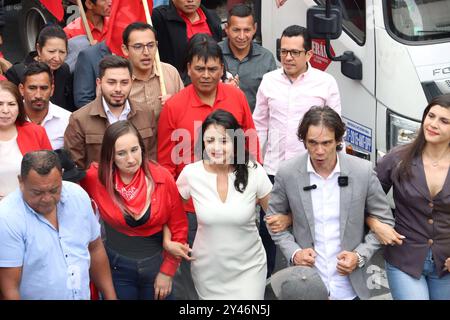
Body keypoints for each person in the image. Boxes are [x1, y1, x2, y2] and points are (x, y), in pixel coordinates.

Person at [157, 34, 260, 299]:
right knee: (195, 278)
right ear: (188, 68)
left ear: (222, 69)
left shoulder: (236, 98)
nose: (206, 75)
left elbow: (250, 141)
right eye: (199, 68)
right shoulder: (174, 106)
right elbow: (167, 163)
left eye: (213, 68)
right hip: (193, 210)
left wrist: (251, 185)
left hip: (237, 200)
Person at [267, 106, 395, 300]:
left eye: (326, 143)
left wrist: (359, 256)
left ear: (338, 141)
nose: (319, 151)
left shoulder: (362, 171)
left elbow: (384, 222)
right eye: (312, 143)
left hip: (350, 285)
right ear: (304, 141)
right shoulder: (287, 172)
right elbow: (274, 221)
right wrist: (294, 253)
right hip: (305, 283)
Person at [253, 25, 341, 277]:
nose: (288, 58)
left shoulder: (325, 82)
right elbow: (258, 124)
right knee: (269, 228)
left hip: (311, 171)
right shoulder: (269, 80)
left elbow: (336, 128)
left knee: (310, 228)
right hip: (273, 170)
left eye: (294, 52)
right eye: (283, 52)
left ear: (309, 54)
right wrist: (253, 165)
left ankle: (312, 281)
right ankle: (266, 282)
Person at [80, 120, 188, 300]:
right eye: (121, 153)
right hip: (116, 269)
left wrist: (168, 271)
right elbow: (66, 191)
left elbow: (178, 226)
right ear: (110, 156)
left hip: (157, 265)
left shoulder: (161, 177)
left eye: (134, 150)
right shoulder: (96, 178)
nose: (130, 159)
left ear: (142, 149)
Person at [176, 109, 270, 299]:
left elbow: (275, 214)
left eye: (224, 141)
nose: (216, 147)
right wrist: (172, 241)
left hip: (249, 269)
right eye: (210, 141)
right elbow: (170, 211)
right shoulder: (191, 173)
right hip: (208, 271)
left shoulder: (254, 171)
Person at [0, 150, 117, 300]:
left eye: (54, 190)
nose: (47, 198)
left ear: (61, 175)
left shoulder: (78, 196)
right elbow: (9, 290)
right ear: (21, 181)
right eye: (37, 192)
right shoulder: (7, 217)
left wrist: (110, 296)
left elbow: (95, 248)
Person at [369, 94, 450, 300]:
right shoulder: (397, 158)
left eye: (444, 121)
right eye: (430, 116)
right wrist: (376, 224)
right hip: (404, 257)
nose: (433, 124)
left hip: (446, 265)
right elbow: (364, 198)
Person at [64, 55, 156, 169]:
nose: (118, 89)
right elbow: (76, 168)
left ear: (132, 82)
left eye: (124, 82)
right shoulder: (79, 119)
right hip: (98, 185)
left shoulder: (146, 114)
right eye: (111, 82)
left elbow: (152, 161)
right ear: (99, 83)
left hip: (140, 184)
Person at [219, 4, 277, 112]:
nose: (241, 36)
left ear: (254, 28)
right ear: (226, 29)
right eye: (236, 30)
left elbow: (274, 98)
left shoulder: (266, 58)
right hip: (219, 124)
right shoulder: (214, 54)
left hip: (255, 125)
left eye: (246, 30)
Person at [121, 22, 184, 122]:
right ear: (125, 50)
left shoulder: (170, 72)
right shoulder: (118, 79)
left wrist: (175, 105)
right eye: (138, 46)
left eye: (151, 45)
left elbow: (186, 112)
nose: (146, 52)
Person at [0, 81, 52, 200]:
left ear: (19, 106)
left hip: (31, 205)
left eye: (12, 104)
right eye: (0, 104)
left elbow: (50, 174)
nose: (5, 110)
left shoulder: (36, 132)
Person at [5, 25, 74, 112]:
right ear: (38, 49)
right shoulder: (17, 72)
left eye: (62, 52)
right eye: (51, 51)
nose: (57, 58)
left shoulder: (63, 70)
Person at [152, 0, 222, 82]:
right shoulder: (159, 18)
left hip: (211, 83)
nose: (190, 1)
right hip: (176, 85)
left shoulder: (212, 18)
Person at [19, 62, 71, 150]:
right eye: (32, 88)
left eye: (44, 88)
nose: (38, 95)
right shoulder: (9, 118)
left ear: (52, 90)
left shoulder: (68, 120)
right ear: (21, 89)